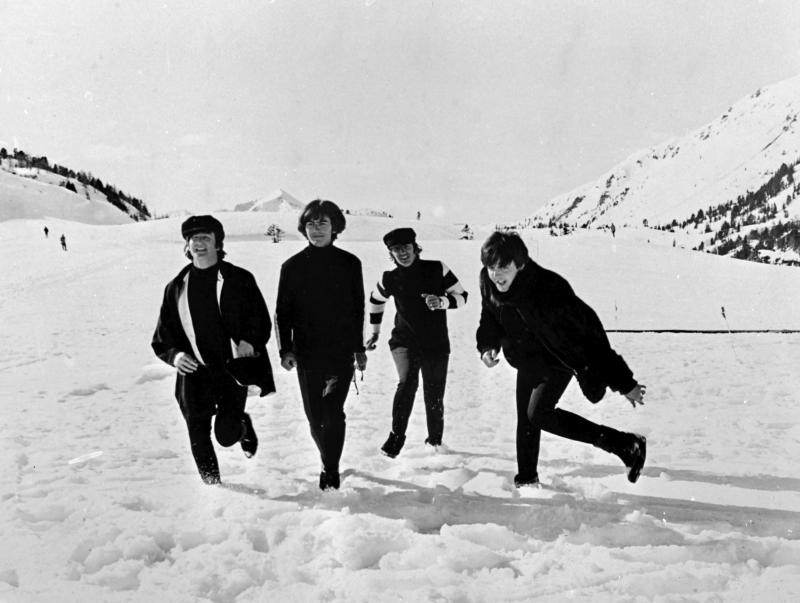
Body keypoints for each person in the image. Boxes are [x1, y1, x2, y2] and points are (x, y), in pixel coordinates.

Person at [476, 231, 647, 487]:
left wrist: (624, 382)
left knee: (538, 414)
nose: (496, 275)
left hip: (558, 359)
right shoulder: (489, 282)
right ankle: (527, 480)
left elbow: (591, 335)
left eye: (503, 267)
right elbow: (490, 317)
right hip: (527, 358)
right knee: (526, 418)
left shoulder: (548, 288)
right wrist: (488, 346)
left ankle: (625, 444)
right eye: (491, 267)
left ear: (520, 264)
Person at [152, 215, 274, 485]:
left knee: (225, 436)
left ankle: (241, 427)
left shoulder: (239, 279)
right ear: (187, 245)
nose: (199, 244)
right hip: (194, 372)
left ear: (218, 243)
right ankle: (213, 486)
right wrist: (176, 356)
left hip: (231, 370)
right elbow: (162, 336)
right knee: (197, 430)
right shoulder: (176, 287)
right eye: (193, 239)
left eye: (205, 238)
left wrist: (249, 341)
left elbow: (260, 320)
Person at [275, 199, 367, 491]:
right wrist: (285, 349)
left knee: (333, 412)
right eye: (311, 224)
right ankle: (329, 458)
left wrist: (358, 348)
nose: (316, 230)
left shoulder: (350, 264)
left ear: (335, 227)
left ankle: (331, 468)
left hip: (340, 351)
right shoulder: (291, 267)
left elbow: (357, 309)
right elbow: (282, 312)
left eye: (323, 223)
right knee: (315, 417)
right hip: (307, 352)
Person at [366, 227, 468, 457]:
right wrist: (374, 332)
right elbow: (375, 300)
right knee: (407, 381)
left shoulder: (437, 269)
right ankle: (396, 438)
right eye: (396, 249)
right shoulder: (389, 278)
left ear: (415, 247)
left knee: (434, 393)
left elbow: (463, 297)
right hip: (404, 342)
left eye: (406, 248)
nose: (402, 253)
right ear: (391, 253)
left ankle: (435, 442)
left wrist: (442, 301)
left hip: (436, 344)